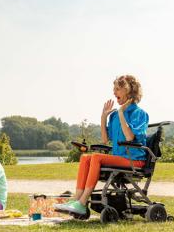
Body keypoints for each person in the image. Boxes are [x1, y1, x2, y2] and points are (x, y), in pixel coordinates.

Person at [55, 75, 149, 215]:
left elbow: (129, 137)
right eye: (114, 89)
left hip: (134, 160)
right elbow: (105, 140)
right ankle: (77, 199)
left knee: (96, 157)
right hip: (120, 158)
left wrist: (122, 113)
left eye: (118, 89)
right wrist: (103, 117)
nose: (114, 92)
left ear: (129, 91)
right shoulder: (114, 116)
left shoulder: (139, 113)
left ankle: (82, 202)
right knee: (86, 157)